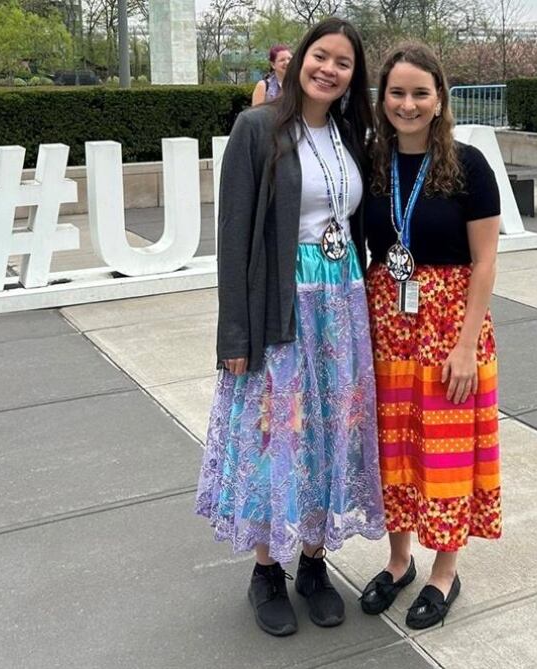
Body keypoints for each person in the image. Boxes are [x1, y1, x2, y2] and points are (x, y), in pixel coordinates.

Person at [195, 18, 386, 638]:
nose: (329, 69)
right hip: (283, 307)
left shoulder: (351, 133)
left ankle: (312, 563)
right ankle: (267, 572)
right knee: (277, 434)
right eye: (321, 56)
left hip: (343, 303)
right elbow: (234, 238)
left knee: (329, 434)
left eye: (344, 63)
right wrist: (235, 338)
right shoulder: (258, 129)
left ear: (354, 77)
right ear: (299, 59)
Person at [360, 43, 502, 630]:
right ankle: (399, 562)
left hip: (450, 327)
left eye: (420, 92)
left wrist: (466, 345)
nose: (408, 104)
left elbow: (486, 260)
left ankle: (445, 569)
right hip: (386, 323)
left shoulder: (467, 164)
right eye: (397, 92)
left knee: (446, 455)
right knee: (393, 451)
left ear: (440, 97)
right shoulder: (370, 161)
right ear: (382, 99)